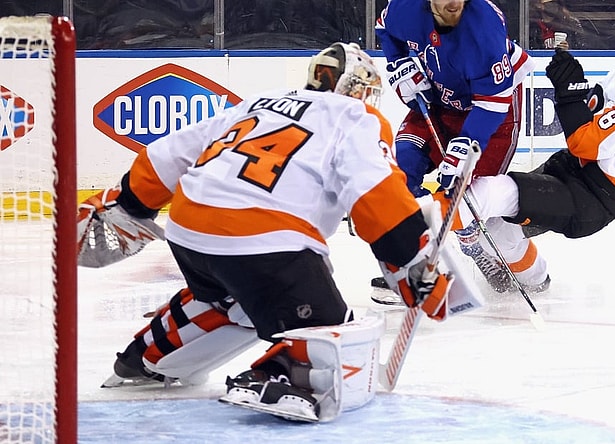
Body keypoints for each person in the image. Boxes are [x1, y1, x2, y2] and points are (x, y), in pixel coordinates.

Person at [78, 42, 458, 423]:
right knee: (334, 344)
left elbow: (168, 155)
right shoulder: (356, 116)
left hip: (189, 231)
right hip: (267, 241)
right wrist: (411, 261)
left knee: (236, 300)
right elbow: (377, 195)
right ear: (357, 88)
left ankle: (144, 358)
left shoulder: (259, 103)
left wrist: (132, 202)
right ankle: (280, 375)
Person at [438, 14, 615, 283]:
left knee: (489, 193)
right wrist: (571, 87)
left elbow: (587, 144)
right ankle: (536, 281)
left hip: (593, 195)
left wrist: (568, 96)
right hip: (576, 173)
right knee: (497, 232)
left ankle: (411, 246)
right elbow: (589, 127)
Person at [374, 0, 548, 294]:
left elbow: (492, 104)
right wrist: (399, 62)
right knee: (400, 174)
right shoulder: (405, 8)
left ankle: (493, 257)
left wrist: (467, 146)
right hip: (437, 102)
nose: (454, 2)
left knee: (465, 200)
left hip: (492, 114)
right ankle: (412, 265)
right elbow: (384, 28)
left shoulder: (484, 29)